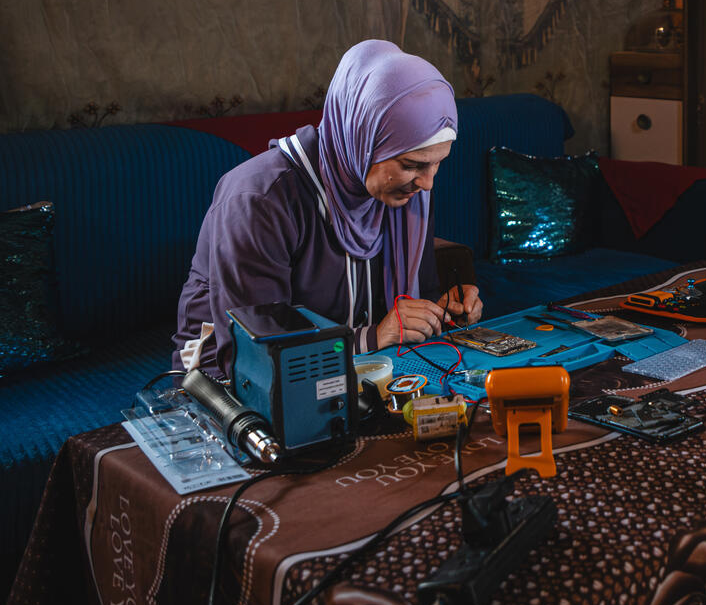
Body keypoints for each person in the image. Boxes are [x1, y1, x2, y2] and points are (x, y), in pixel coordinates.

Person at [173, 40, 483, 379]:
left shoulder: (406, 192)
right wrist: (375, 336)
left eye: (438, 164)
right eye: (412, 164)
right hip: (231, 387)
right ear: (363, 138)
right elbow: (256, 355)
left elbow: (411, 298)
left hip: (362, 367)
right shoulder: (260, 202)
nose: (427, 183)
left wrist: (439, 308)